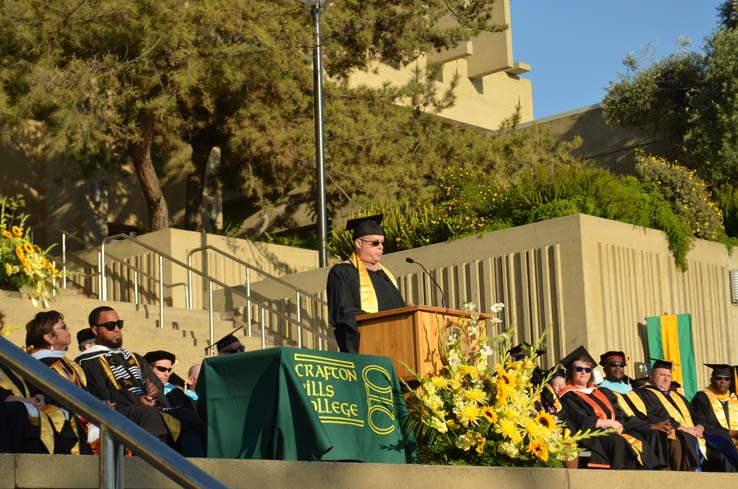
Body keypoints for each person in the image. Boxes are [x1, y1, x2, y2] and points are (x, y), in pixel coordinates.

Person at [76, 306, 204, 457]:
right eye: (110, 326)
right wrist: (137, 400)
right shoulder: (89, 361)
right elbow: (102, 392)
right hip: (119, 409)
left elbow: (156, 384)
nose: (117, 329)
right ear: (95, 330)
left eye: (119, 324)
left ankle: (195, 466)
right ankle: (157, 469)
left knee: (187, 415)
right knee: (150, 416)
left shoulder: (134, 357)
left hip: (146, 407)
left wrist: (154, 392)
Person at [557, 346, 647, 469]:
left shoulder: (601, 392)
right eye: (579, 369)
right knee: (617, 442)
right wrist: (608, 422)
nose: (584, 372)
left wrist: (619, 424)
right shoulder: (568, 395)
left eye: (587, 370)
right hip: (589, 433)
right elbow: (578, 419)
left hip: (612, 430)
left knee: (644, 437)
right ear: (571, 372)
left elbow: (618, 413)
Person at [326, 217, 405, 353]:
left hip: (396, 348)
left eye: (382, 243)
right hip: (364, 351)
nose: (380, 246)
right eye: (375, 243)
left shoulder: (385, 275)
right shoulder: (342, 272)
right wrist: (381, 324)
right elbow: (343, 313)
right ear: (358, 243)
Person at [25, 310, 96, 454]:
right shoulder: (40, 364)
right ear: (49, 337)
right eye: (63, 328)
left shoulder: (67, 363)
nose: (68, 331)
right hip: (63, 423)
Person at [636, 359, 706, 471]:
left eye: (668, 375)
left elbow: (695, 415)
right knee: (679, 439)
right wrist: (682, 428)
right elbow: (654, 415)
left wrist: (699, 427)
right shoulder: (644, 393)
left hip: (692, 433)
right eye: (662, 375)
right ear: (652, 375)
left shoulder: (678, 396)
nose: (666, 379)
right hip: (664, 432)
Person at [0, 309, 48, 454]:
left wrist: (37, 393)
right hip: (7, 410)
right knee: (16, 412)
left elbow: (19, 375)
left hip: (19, 408)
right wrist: (12, 398)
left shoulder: (5, 351)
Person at [690, 364, 738, 472]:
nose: (722, 381)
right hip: (713, 441)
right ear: (712, 379)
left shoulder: (735, 398)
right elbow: (702, 421)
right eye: (719, 378)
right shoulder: (702, 397)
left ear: (730, 381)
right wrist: (730, 433)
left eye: (726, 379)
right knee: (725, 455)